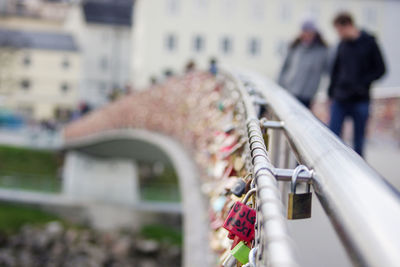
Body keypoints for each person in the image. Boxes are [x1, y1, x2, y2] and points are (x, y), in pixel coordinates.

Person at [328, 12, 386, 157]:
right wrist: (331, 93)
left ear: (347, 26)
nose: (339, 34)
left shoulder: (369, 43)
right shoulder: (342, 44)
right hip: (340, 98)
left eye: (339, 30)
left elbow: (381, 69)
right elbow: (335, 70)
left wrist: (362, 83)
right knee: (332, 136)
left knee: (359, 141)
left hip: (360, 99)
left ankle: (357, 176)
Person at [278, 19, 328, 108]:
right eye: (304, 31)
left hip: (307, 95)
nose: (307, 34)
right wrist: (279, 86)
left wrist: (322, 95)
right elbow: (284, 68)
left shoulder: (323, 50)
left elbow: (327, 73)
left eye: (309, 31)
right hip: (289, 91)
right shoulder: (294, 46)